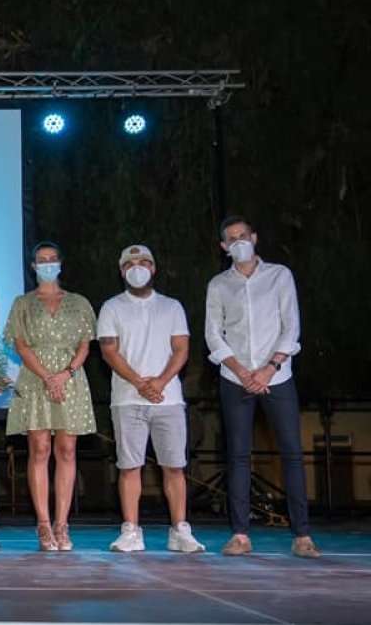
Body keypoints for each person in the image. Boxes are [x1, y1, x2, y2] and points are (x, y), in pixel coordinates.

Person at [205, 216, 320, 558]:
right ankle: (240, 535)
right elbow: (213, 333)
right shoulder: (218, 285)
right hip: (234, 378)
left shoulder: (279, 276)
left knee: (292, 454)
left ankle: (302, 536)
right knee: (238, 456)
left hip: (277, 377)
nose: (239, 242)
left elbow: (291, 326)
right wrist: (242, 371)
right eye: (231, 239)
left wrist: (269, 369)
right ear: (224, 247)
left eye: (244, 236)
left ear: (254, 238)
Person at [99, 245, 205, 553]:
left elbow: (181, 349)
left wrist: (158, 382)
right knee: (129, 466)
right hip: (127, 399)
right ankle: (131, 529)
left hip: (168, 398)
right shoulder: (111, 307)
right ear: (121, 271)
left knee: (173, 466)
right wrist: (138, 382)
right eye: (130, 263)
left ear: (154, 268)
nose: (137, 268)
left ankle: (180, 529)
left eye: (144, 262)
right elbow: (109, 350)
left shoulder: (172, 307)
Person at [3, 242, 96, 551]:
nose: (47, 264)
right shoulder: (23, 303)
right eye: (41, 260)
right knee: (40, 448)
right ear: (33, 266)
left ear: (60, 263)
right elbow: (20, 345)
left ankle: (62, 524)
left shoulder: (79, 302)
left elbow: (85, 343)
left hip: (70, 379)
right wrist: (47, 377)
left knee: (67, 449)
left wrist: (65, 374)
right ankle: (43, 524)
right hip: (35, 379)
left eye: (52, 259)